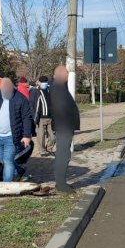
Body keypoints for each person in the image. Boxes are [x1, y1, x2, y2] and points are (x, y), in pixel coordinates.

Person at [0, 78, 33, 182]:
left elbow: (27, 117)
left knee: (8, 161)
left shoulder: (20, 99)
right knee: (1, 159)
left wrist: (26, 135)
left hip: (12, 136)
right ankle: (18, 171)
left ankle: (7, 187)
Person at [49, 65, 80, 193]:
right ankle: (61, 184)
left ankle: (62, 182)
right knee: (63, 155)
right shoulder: (57, 88)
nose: (67, 75)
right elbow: (60, 109)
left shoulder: (61, 87)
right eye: (65, 73)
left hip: (66, 127)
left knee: (64, 154)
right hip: (63, 127)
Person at [33, 75, 55, 156]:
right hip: (41, 118)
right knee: (41, 136)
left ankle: (49, 149)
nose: (44, 84)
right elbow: (35, 105)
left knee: (53, 136)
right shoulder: (37, 92)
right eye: (42, 82)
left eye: (45, 82)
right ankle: (42, 151)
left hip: (50, 118)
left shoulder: (50, 91)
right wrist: (35, 118)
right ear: (39, 82)